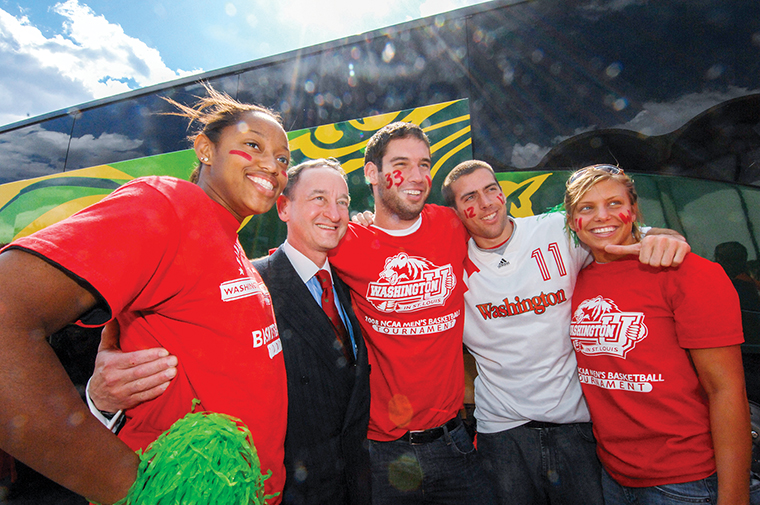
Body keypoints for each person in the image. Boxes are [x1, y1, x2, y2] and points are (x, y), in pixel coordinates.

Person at [0, 86, 290, 504]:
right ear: (205, 150)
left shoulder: (232, 244)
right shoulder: (168, 205)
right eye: (253, 145)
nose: (272, 164)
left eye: (283, 158)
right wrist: (135, 490)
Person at [440, 159, 691, 505]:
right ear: (455, 212)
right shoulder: (449, 262)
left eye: (491, 190)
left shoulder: (555, 229)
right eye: (469, 197)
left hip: (577, 425)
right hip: (502, 432)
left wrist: (665, 237)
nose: (485, 203)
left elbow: (619, 233)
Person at [565, 164, 758, 505]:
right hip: (613, 477)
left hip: (687, 485)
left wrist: (734, 496)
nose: (601, 216)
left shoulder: (688, 273)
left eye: (613, 203)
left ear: (634, 211)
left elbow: (726, 390)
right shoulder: (575, 279)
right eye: (586, 208)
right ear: (570, 221)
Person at [252, 158, 371, 505]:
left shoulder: (351, 283)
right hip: (293, 491)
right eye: (319, 198)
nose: (334, 213)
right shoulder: (254, 283)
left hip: (356, 484)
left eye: (344, 202)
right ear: (284, 207)